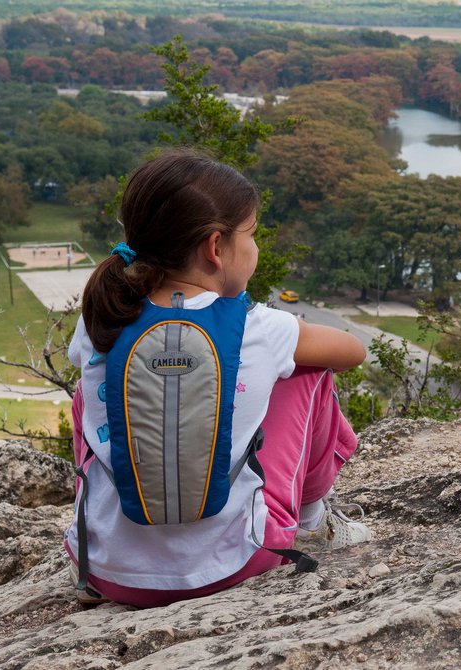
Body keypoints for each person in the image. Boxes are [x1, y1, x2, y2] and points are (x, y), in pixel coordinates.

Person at [65, 149, 369, 608]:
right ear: (215, 247)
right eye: (251, 235)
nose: (256, 248)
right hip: (236, 563)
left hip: (109, 574)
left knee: (90, 393)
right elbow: (353, 352)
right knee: (310, 370)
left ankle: (97, 533)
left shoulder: (100, 318)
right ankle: (311, 518)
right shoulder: (258, 328)